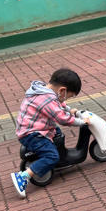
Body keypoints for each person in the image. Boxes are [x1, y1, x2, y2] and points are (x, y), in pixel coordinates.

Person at [10, 68, 88, 198]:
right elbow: (62, 119)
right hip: (33, 134)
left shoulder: (43, 91)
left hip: (34, 129)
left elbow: (57, 105)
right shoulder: (48, 98)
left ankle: (59, 158)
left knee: (57, 133)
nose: (66, 99)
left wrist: (68, 110)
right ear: (62, 91)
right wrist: (81, 122)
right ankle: (23, 177)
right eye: (69, 96)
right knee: (51, 157)